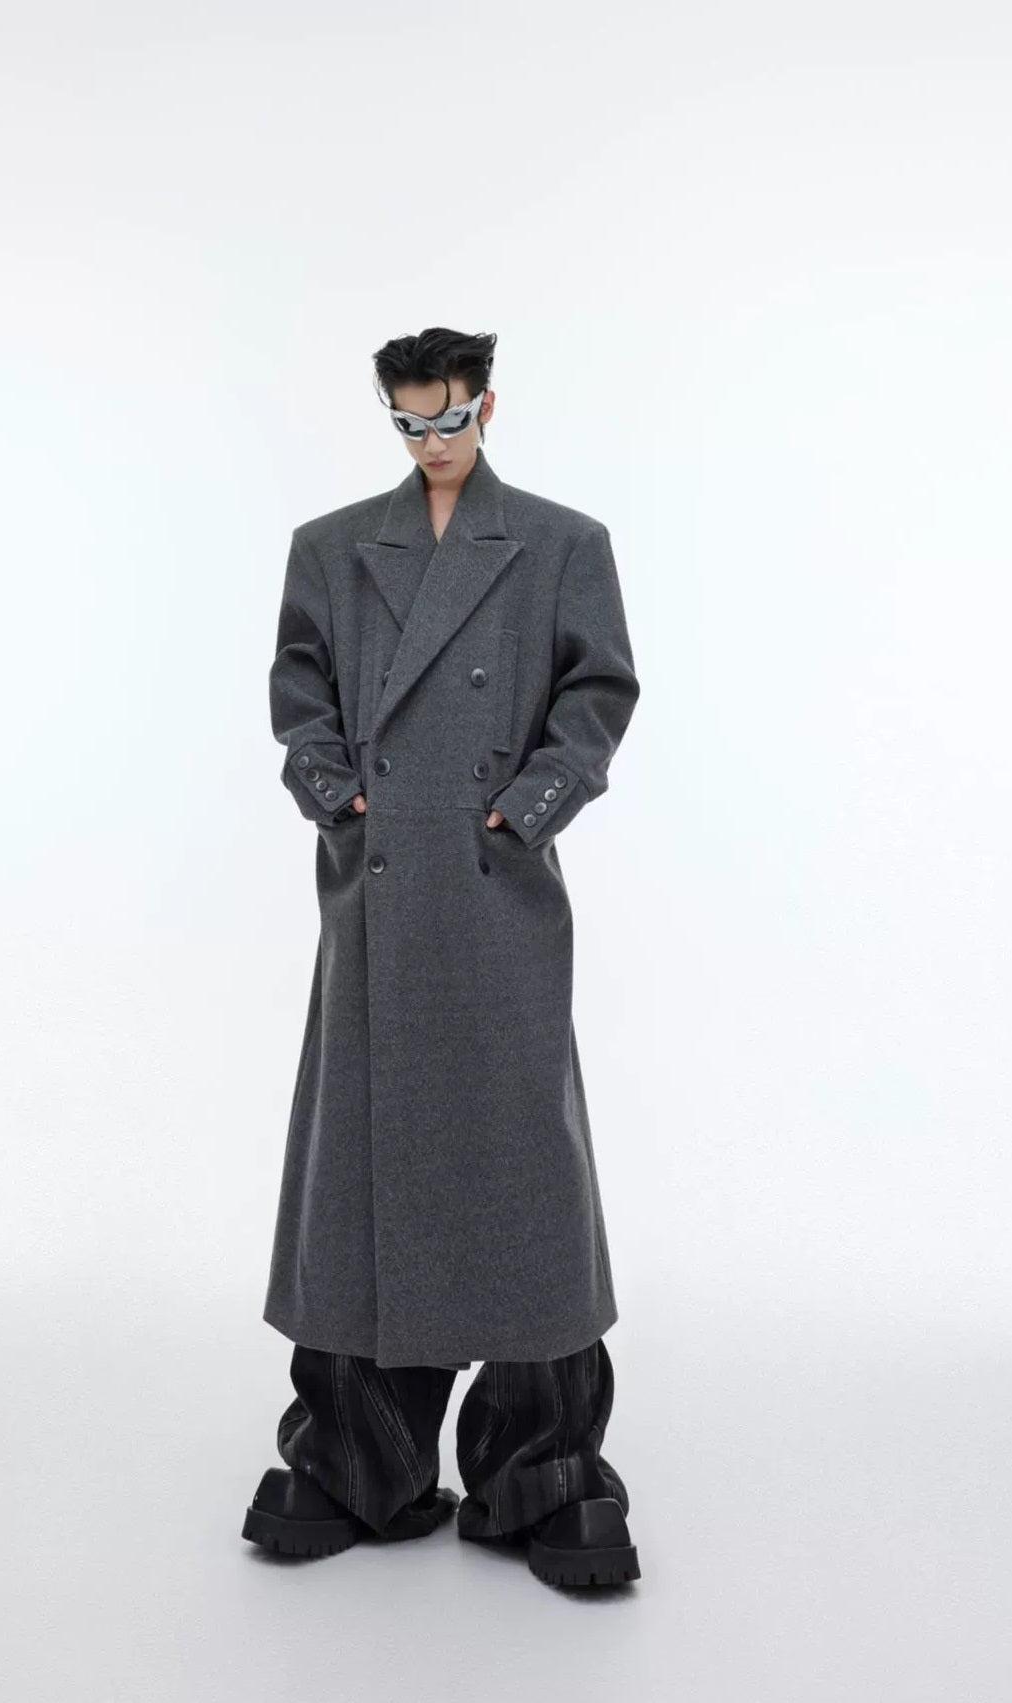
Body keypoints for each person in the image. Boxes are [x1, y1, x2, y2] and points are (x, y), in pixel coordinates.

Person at [242, 328, 642, 1590]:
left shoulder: (562, 543)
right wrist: (334, 792)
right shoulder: (329, 546)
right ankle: (357, 1459)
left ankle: (542, 1469)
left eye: (449, 418)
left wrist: (525, 808)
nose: (431, 443)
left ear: (486, 406)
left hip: (493, 884)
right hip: (378, 885)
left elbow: (598, 693)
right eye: (409, 424)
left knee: (521, 1157)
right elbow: (298, 690)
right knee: (360, 1161)